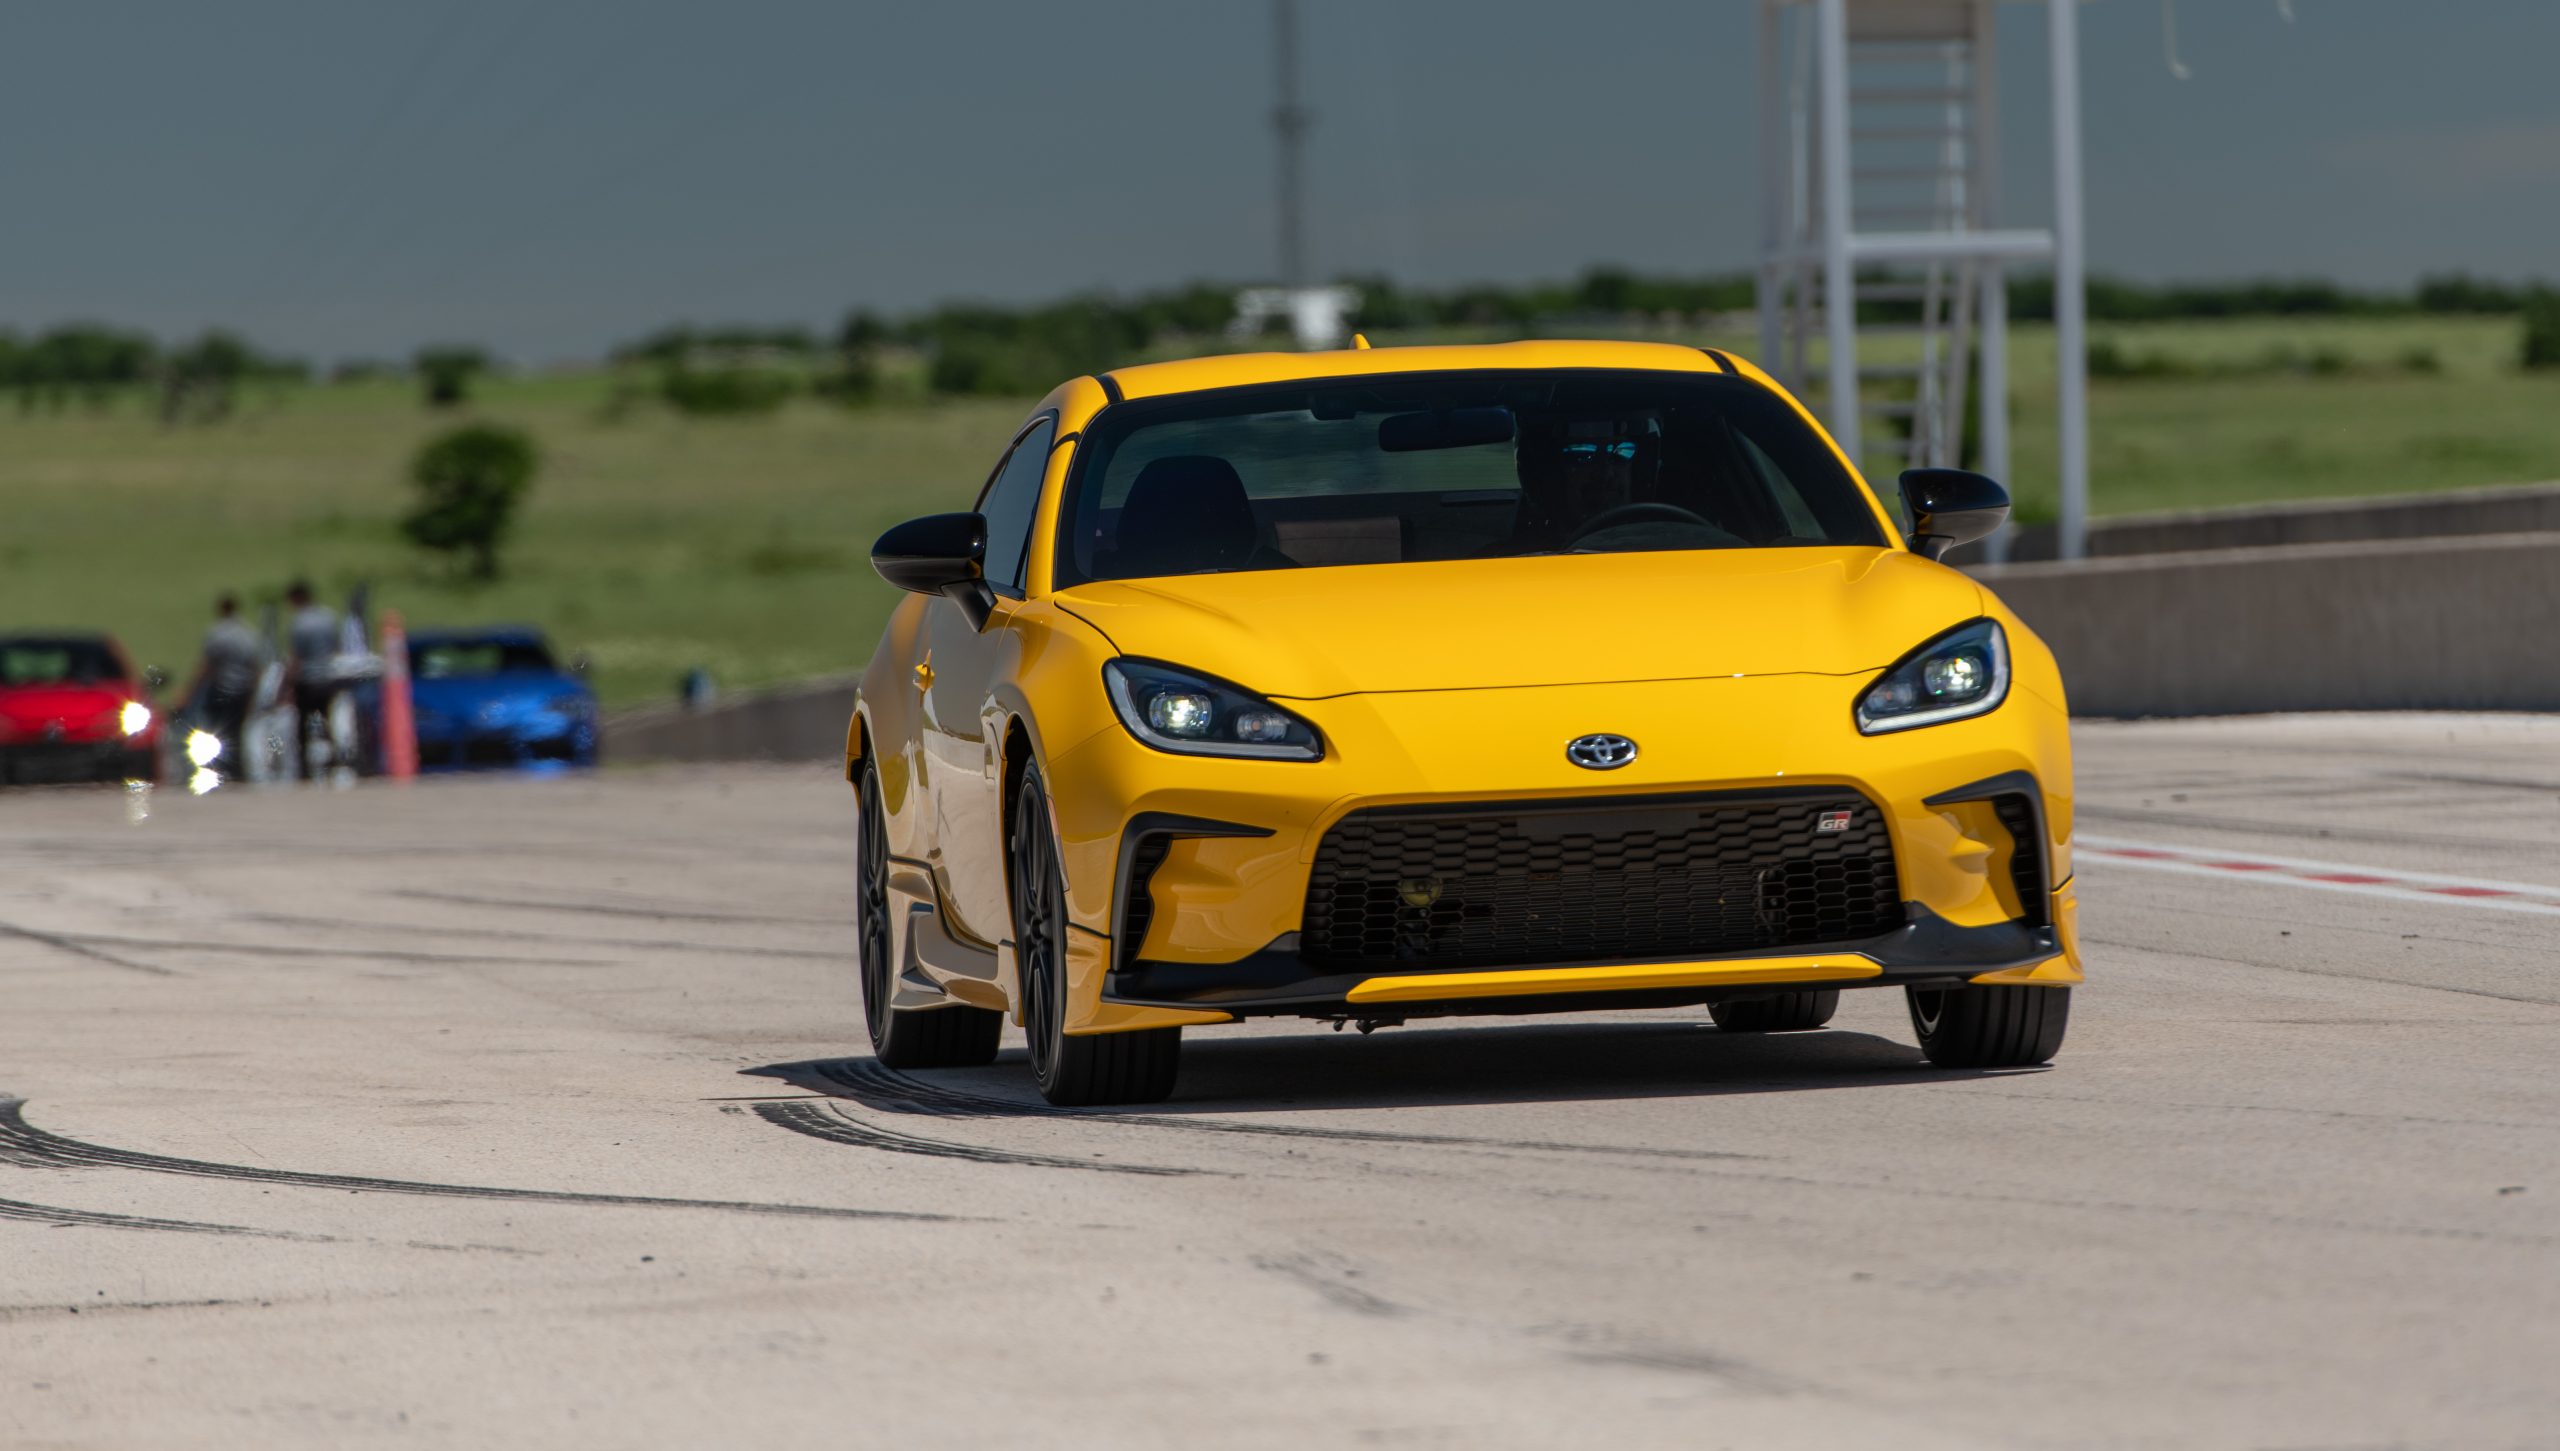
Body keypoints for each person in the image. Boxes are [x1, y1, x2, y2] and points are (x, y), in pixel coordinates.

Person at [188, 594, 262, 766]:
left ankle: (222, 764)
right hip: (243, 689)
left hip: (223, 688)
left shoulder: (217, 633)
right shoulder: (248, 633)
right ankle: (238, 766)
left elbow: (208, 665)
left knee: (219, 729)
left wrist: (190, 691)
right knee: (237, 730)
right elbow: (255, 667)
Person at [284, 581, 340, 778]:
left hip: (307, 679)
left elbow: (296, 656)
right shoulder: (328, 617)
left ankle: (304, 766)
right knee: (326, 719)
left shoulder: (300, 622)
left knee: (303, 723)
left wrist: (288, 683)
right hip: (327, 677)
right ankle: (334, 758)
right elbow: (336, 647)